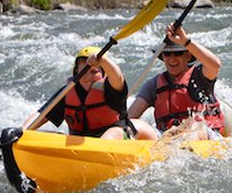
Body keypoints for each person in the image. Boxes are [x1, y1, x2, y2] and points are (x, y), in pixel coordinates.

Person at [23, 46, 158, 140]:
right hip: (83, 143)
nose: (89, 76)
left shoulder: (110, 88)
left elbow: (118, 77)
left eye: (95, 72)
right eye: (84, 72)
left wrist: (104, 60)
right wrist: (22, 131)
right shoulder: (68, 92)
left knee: (112, 133)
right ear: (76, 73)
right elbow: (43, 115)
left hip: (117, 139)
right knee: (43, 135)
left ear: (103, 73)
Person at [127, 23, 224, 141]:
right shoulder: (153, 85)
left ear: (188, 56)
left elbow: (215, 65)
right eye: (167, 54)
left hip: (203, 133)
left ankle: (182, 150)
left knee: (193, 125)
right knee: (131, 126)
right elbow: (130, 116)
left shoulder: (199, 78)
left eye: (178, 53)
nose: (171, 58)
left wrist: (185, 41)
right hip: (166, 136)